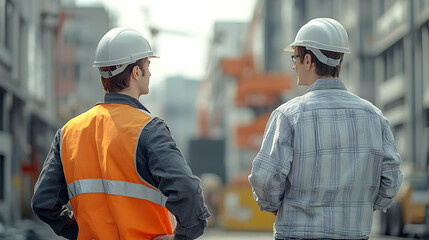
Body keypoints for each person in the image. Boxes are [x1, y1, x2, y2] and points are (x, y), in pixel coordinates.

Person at [31, 27, 210, 240]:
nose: (150, 73)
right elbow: (188, 193)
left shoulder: (69, 132)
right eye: (148, 66)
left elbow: (43, 202)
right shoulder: (149, 129)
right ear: (136, 72)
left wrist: (78, 232)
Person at [248, 18, 403, 240]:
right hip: (355, 234)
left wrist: (272, 205)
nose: (293, 65)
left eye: (295, 57)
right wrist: (366, 207)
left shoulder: (288, 116)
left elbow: (265, 180)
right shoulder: (374, 116)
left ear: (308, 60)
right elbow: (391, 177)